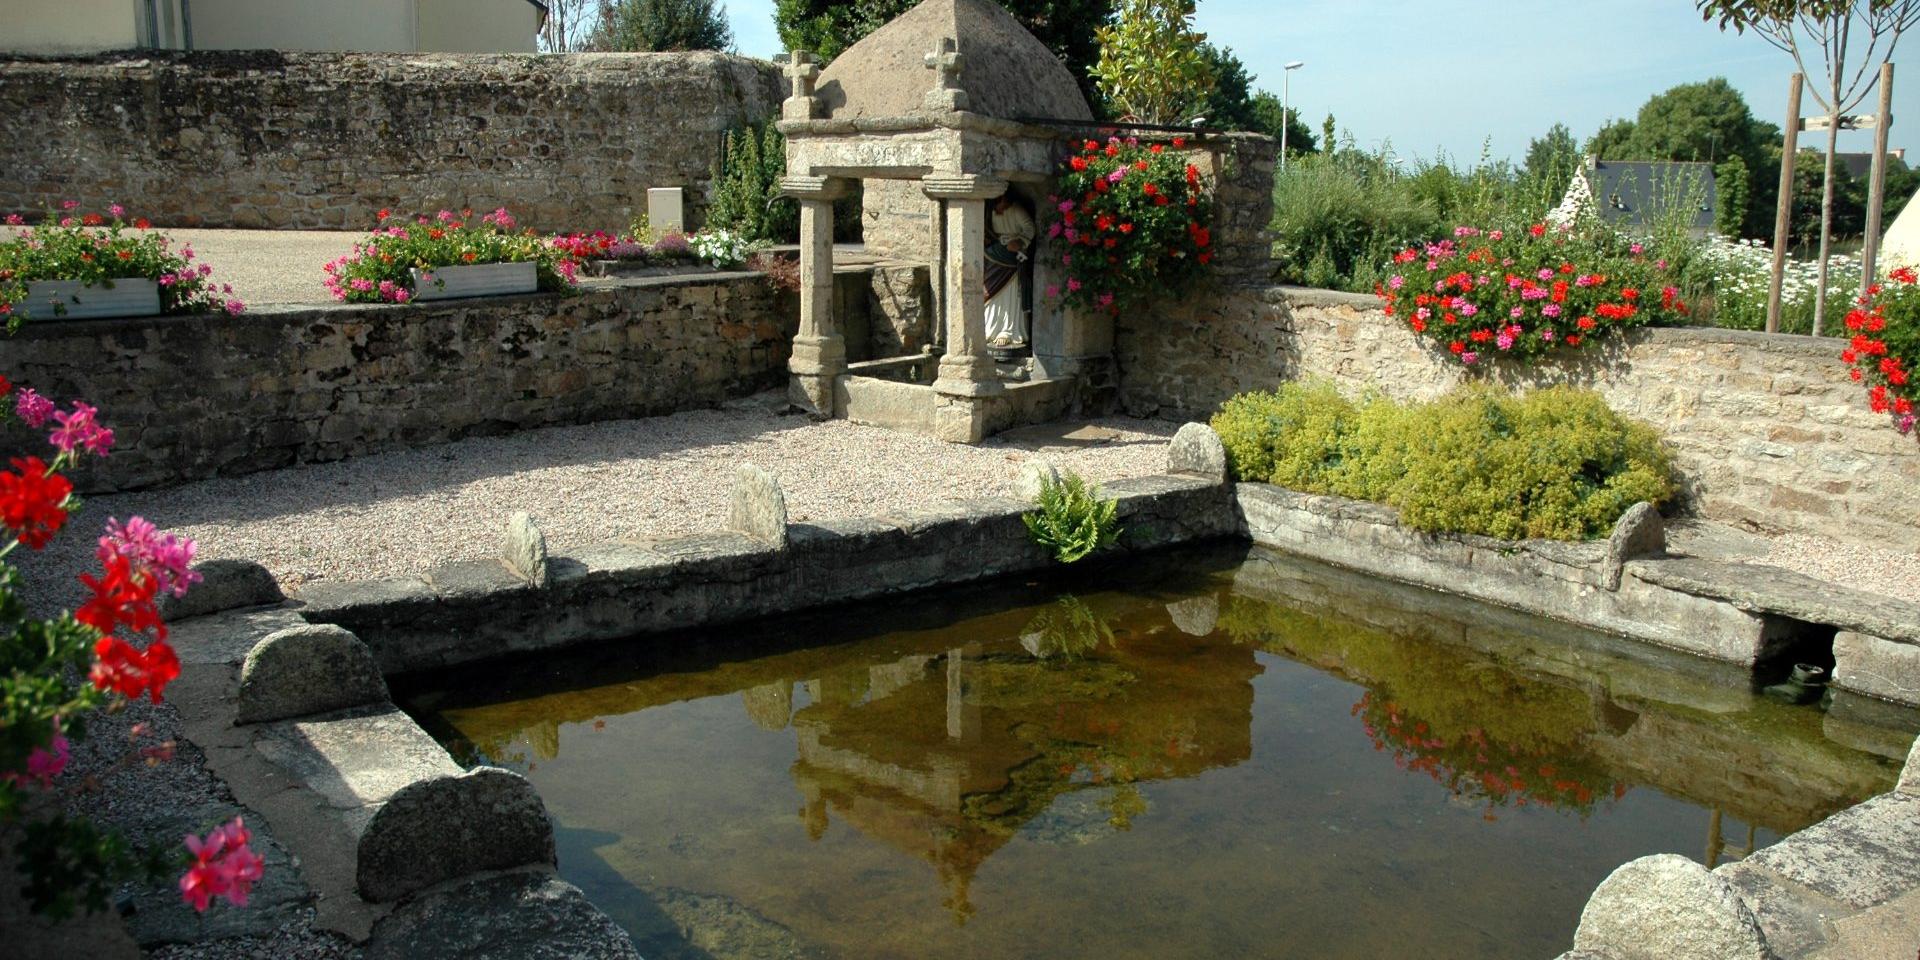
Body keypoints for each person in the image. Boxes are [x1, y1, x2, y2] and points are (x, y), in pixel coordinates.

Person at [984, 193, 1035, 348]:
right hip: (993, 254)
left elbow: (1030, 228)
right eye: (1000, 202)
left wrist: (1020, 241)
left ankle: (1007, 330)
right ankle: (990, 328)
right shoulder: (989, 211)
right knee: (989, 293)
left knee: (1010, 293)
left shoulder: (1017, 210)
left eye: (1005, 200)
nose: (1003, 204)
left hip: (1012, 257)